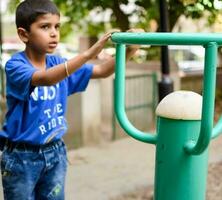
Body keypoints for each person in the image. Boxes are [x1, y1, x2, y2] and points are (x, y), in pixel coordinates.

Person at [0, 0, 142, 199]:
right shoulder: (15, 65)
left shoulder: (58, 62)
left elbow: (101, 70)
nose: (54, 33)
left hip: (55, 152)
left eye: (57, 26)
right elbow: (46, 78)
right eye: (45, 27)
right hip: (21, 157)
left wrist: (130, 49)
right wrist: (90, 53)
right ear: (24, 34)